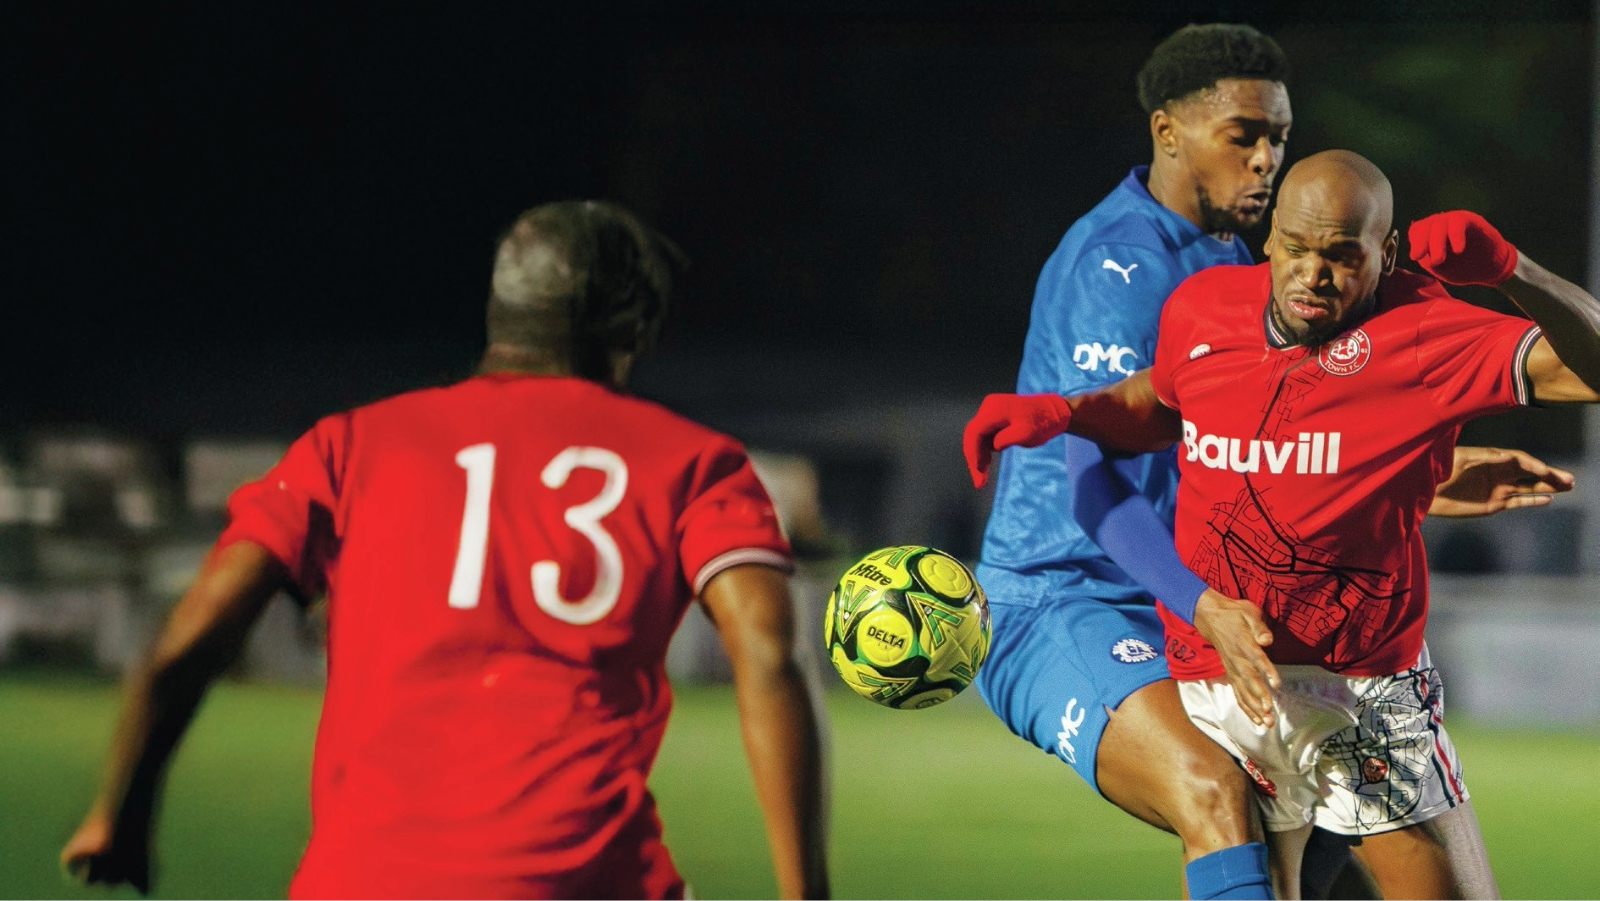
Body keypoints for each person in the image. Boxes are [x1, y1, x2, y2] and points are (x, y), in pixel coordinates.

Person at [59, 201, 830, 899]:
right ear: (636, 328)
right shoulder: (694, 463)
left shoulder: (348, 446)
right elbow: (767, 652)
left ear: (501, 312)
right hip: (580, 882)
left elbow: (185, 646)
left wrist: (119, 813)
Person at [961, 24, 1567, 901]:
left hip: (1214, 612)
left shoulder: (1240, 263)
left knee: (1337, 876)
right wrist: (1200, 604)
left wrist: (1421, 477)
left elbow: (1245, 445)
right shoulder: (1121, 264)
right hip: (1072, 597)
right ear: (1168, 131)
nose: (1266, 160)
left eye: (1278, 138)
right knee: (1216, 791)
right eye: (1243, 136)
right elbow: (1096, 475)